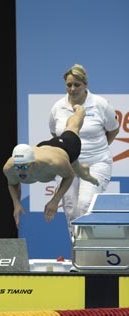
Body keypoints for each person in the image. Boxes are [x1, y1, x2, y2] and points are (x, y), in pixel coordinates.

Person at [49, 64, 119, 234]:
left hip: (96, 163)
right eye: (69, 85)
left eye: (77, 85)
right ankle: (77, 250)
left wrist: (96, 150)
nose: (72, 89)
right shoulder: (58, 107)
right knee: (71, 210)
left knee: (85, 206)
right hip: (68, 165)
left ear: (85, 84)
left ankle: (88, 249)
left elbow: (113, 130)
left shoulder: (100, 104)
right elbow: (55, 133)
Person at [3, 104, 99, 227]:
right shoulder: (9, 167)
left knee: (72, 128)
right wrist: (16, 203)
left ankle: (80, 112)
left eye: (25, 167)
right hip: (43, 147)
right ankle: (83, 171)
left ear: (32, 163)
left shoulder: (53, 163)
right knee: (77, 170)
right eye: (18, 167)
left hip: (67, 147)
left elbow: (69, 176)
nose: (21, 172)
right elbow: (13, 184)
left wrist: (55, 201)